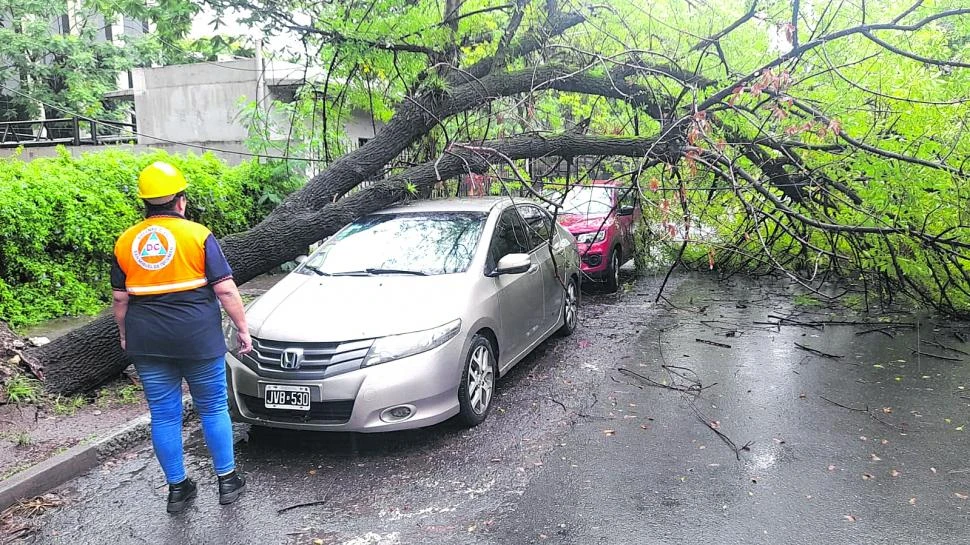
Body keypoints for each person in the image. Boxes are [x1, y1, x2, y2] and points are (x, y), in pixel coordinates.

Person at [110, 161, 253, 513]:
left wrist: (126, 335)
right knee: (213, 407)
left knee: (163, 414)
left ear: (145, 203)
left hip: (148, 340)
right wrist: (243, 329)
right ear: (181, 201)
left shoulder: (127, 241)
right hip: (197, 337)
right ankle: (227, 480)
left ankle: (178, 488)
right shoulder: (198, 235)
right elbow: (226, 291)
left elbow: (119, 298)